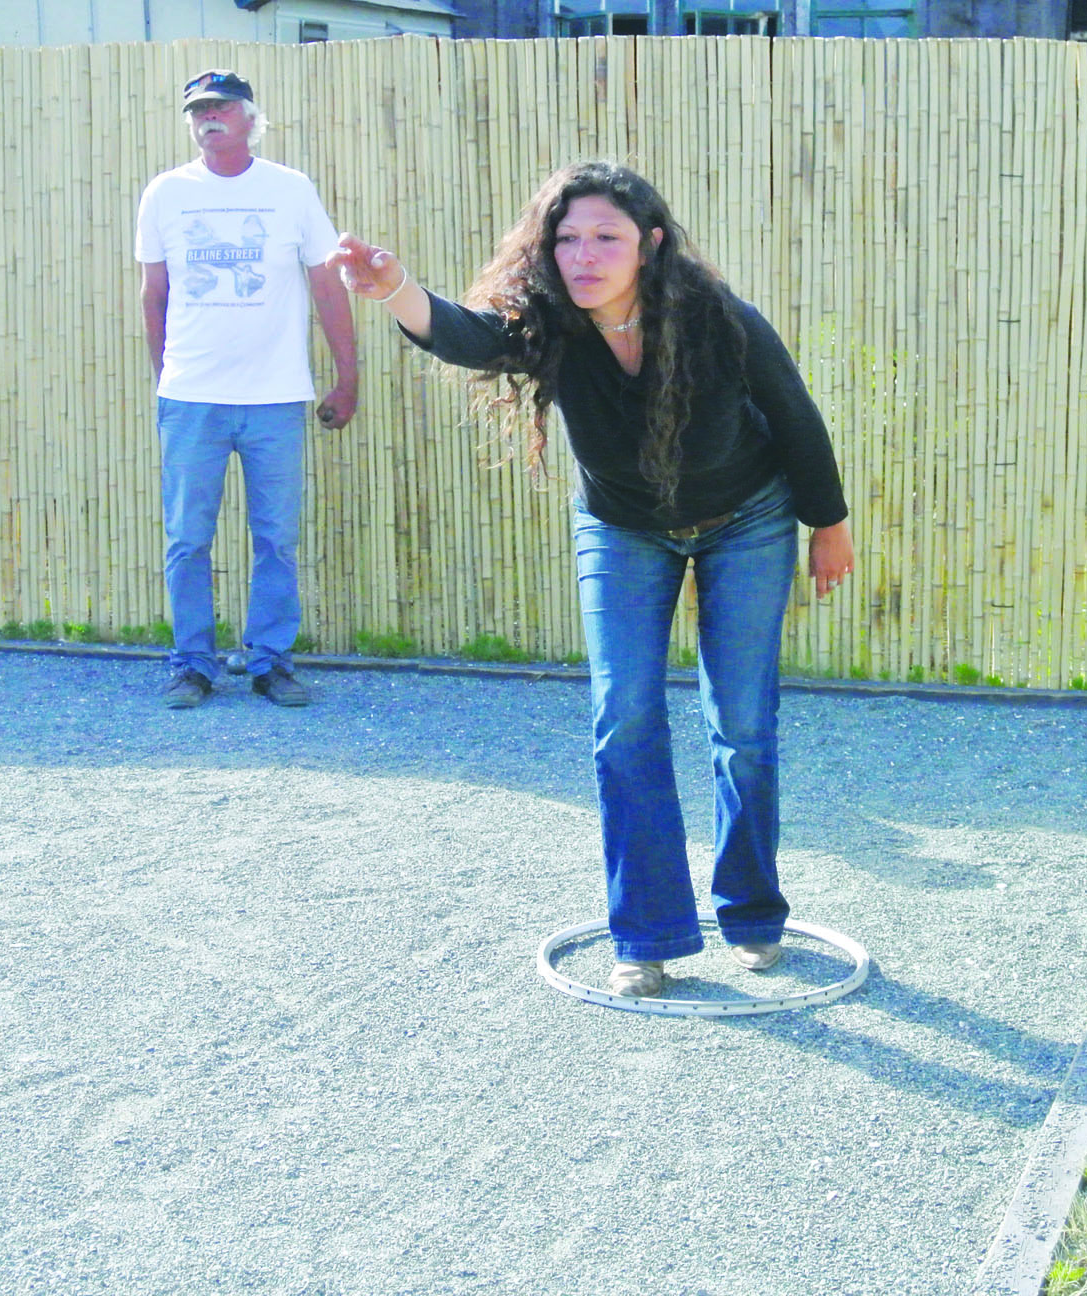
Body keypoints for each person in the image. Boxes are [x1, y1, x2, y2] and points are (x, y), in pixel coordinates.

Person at [327, 162, 854, 999]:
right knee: (625, 718)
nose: (584, 254)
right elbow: (465, 334)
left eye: (605, 236)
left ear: (648, 244)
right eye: (566, 238)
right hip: (621, 528)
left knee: (743, 725)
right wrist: (395, 288)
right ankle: (646, 934)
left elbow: (793, 414)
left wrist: (828, 524)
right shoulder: (548, 324)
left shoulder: (718, 320)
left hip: (748, 519)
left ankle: (752, 914)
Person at [136, 69, 359, 709]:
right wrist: (168, 376)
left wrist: (347, 377)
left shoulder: (289, 191)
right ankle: (192, 664)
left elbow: (326, 285)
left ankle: (269, 661)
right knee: (187, 538)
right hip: (191, 399)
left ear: (250, 118)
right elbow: (154, 294)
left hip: (275, 398)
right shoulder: (165, 194)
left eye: (222, 108)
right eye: (199, 110)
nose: (209, 118)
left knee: (276, 538)